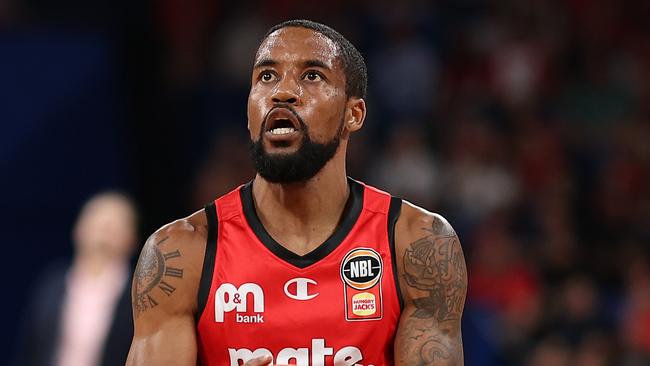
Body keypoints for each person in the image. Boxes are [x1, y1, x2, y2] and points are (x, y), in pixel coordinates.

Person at [126, 19, 467, 365]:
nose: (282, 92)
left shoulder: (415, 242)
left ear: (354, 113)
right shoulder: (182, 252)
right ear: (248, 112)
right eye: (267, 76)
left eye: (312, 76)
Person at [15, 192, 138, 366]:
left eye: (114, 226)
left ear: (132, 238)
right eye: (98, 223)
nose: (104, 232)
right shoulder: (52, 283)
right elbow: (30, 349)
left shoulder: (139, 293)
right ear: (79, 229)